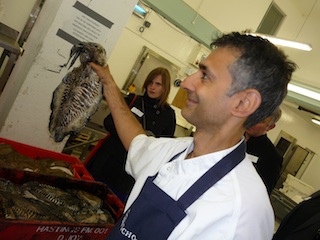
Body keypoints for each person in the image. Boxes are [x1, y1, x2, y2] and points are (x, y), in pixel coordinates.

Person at [91, 31, 297, 239]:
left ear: (243, 103)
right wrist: (108, 83)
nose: (187, 83)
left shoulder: (242, 213)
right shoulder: (175, 150)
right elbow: (136, 141)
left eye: (205, 76)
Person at [85, 67, 176, 202]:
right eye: (150, 82)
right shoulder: (133, 100)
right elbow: (109, 121)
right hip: (107, 160)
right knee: (86, 192)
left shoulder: (168, 115)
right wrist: (130, 134)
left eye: (158, 84)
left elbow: (165, 146)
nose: (152, 87)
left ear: (165, 88)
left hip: (129, 171)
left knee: (111, 203)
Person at [245, 107, 283, 195]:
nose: (252, 122)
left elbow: (264, 192)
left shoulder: (272, 157)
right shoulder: (230, 136)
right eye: (253, 117)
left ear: (270, 127)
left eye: (260, 120)